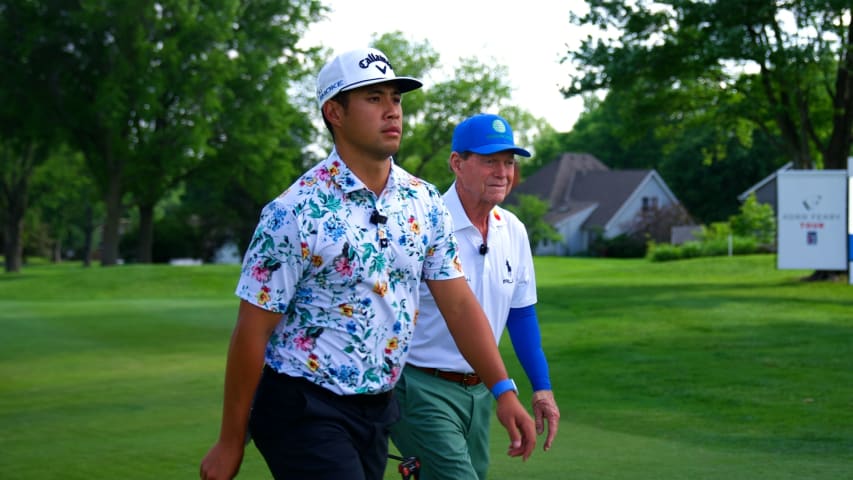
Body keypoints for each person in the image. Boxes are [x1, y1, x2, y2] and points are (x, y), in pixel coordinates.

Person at [199, 48, 536, 480]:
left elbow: (459, 306)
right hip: (303, 405)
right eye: (374, 99)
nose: (392, 111)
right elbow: (252, 331)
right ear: (334, 112)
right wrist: (230, 442)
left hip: (378, 408)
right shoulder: (295, 212)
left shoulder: (424, 203)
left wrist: (503, 389)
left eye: (395, 99)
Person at [390, 113, 561, 480]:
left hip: (483, 391)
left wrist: (541, 388)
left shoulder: (512, 230)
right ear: (457, 163)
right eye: (489, 161)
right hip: (420, 386)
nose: (502, 172)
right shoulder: (424, 223)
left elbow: (521, 316)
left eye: (509, 162)